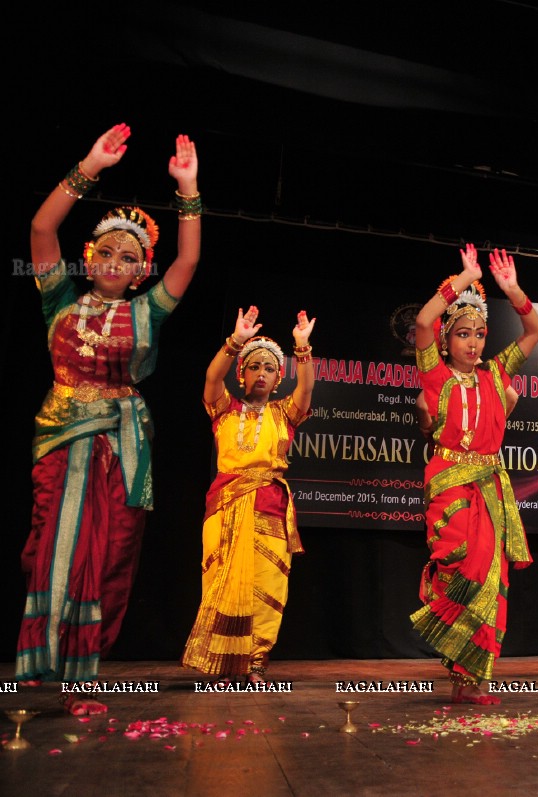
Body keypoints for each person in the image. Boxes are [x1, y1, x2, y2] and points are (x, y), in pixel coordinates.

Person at [17, 124, 201, 715]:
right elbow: (42, 228)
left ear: (142, 269)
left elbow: (190, 256)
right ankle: (35, 664)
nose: (115, 262)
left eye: (129, 256)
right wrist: (88, 168)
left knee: (106, 559)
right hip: (62, 440)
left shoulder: (147, 313)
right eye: (105, 252)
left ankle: (81, 680)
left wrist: (188, 190)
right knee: (53, 548)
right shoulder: (59, 301)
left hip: (119, 449)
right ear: (88, 258)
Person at [409, 244, 538, 705]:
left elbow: (535, 329)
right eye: (463, 333)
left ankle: (472, 680)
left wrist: (512, 290)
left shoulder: (495, 373)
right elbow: (423, 321)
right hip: (449, 484)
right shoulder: (435, 375)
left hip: (490, 487)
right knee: (459, 567)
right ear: (447, 340)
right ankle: (458, 665)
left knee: (489, 577)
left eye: (480, 334)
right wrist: (463, 281)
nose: (472, 342)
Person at [180, 307, 315, 682]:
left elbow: (305, 390)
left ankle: (256, 660)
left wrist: (301, 349)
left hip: (270, 506)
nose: (261, 374)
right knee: (221, 582)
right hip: (224, 506)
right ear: (242, 375)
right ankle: (222, 662)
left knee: (268, 587)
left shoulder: (284, 414)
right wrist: (235, 342)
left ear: (277, 379)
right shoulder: (223, 409)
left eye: (269, 369)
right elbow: (211, 377)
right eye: (254, 367)